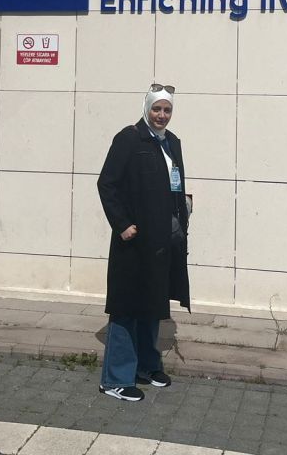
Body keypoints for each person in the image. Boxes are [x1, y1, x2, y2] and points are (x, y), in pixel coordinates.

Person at [97, 83, 191, 402]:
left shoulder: (171, 142)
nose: (162, 115)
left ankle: (146, 366)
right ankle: (115, 378)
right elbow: (107, 184)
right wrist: (122, 224)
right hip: (134, 241)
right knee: (126, 307)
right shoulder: (129, 138)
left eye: (167, 110)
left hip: (161, 241)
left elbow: (173, 184)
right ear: (146, 108)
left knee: (152, 304)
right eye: (157, 108)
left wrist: (182, 210)